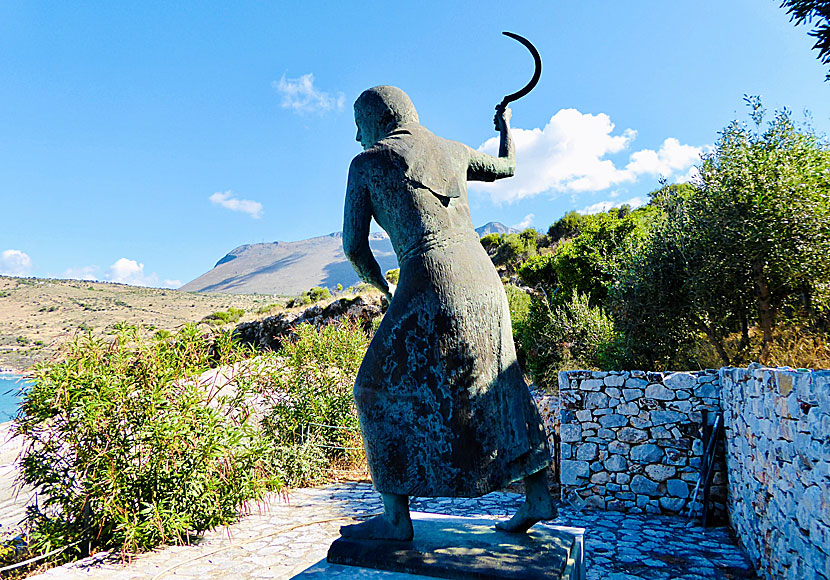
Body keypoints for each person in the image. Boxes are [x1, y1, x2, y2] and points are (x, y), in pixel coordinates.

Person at [341, 86, 555, 541]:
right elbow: (508, 167)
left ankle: (396, 520)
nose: (356, 135)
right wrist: (506, 128)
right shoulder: (452, 149)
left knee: (372, 389)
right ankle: (537, 495)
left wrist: (383, 286)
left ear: (377, 119)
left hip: (430, 276)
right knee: (504, 382)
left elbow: (355, 247)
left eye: (359, 124)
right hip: (484, 278)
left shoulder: (368, 163)